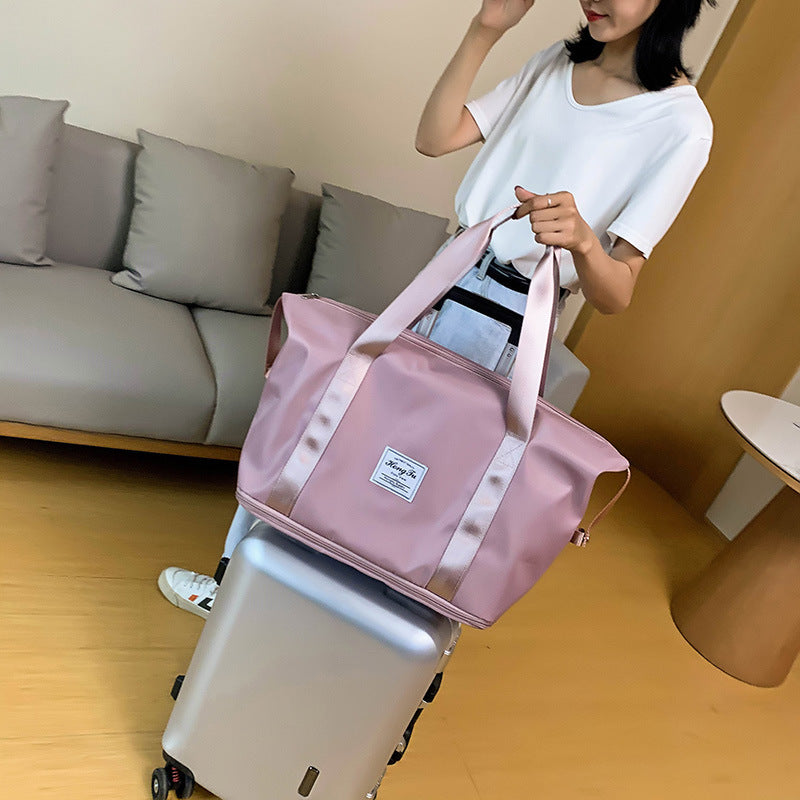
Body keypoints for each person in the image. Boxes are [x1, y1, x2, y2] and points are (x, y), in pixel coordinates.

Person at [158, 0, 716, 618]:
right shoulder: (556, 63)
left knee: (418, 477)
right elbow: (434, 139)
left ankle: (337, 622)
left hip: (513, 318)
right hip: (448, 271)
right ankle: (240, 586)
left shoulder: (682, 126)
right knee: (339, 425)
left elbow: (618, 292)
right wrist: (486, 29)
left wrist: (585, 241)